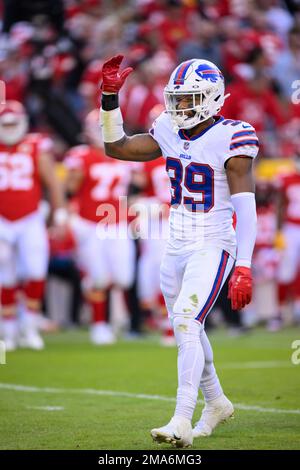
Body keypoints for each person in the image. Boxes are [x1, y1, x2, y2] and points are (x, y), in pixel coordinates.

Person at [99, 55, 258, 448]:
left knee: (187, 320)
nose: (180, 107)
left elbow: (246, 208)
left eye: (189, 100)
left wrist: (245, 264)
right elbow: (117, 147)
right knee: (188, 326)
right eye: (177, 99)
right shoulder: (168, 127)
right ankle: (217, 401)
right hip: (176, 241)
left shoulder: (233, 136)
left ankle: (181, 419)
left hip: (213, 240)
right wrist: (108, 98)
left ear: (212, 98)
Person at [64, 110, 136, 344]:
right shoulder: (81, 156)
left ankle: (117, 317)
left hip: (118, 222)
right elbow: (70, 188)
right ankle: (99, 325)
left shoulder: (124, 154)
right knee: (99, 279)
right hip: (91, 223)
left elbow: (139, 184)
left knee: (124, 278)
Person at [0, 100, 67, 350]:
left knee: (36, 271)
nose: (9, 128)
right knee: (4, 275)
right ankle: (8, 330)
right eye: (5, 124)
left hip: (30, 217)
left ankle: (28, 326)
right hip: (2, 220)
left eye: (13, 123)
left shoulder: (35, 146)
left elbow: (53, 183)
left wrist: (59, 216)